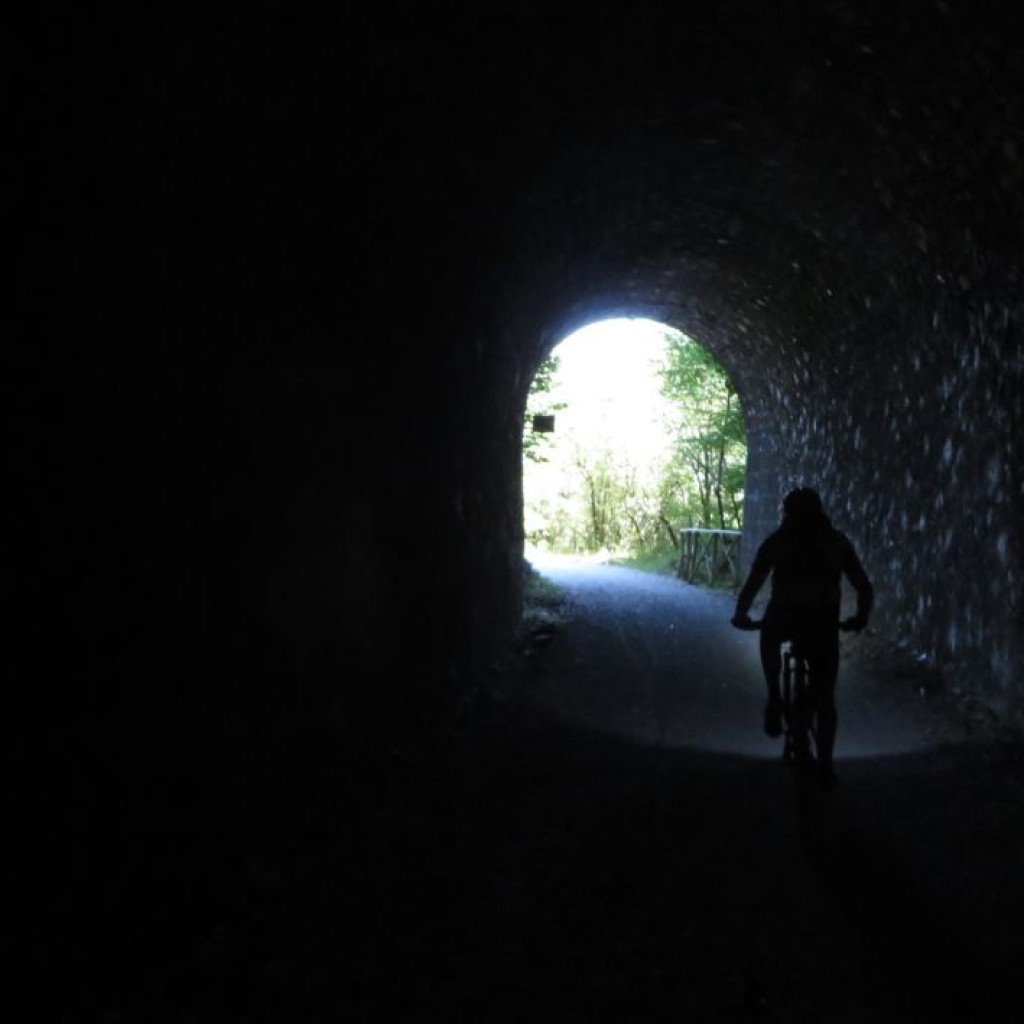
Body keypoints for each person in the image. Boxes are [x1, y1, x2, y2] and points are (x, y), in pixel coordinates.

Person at [731, 487, 873, 787]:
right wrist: (859, 619)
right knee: (825, 699)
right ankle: (825, 765)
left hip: (783, 619)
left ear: (786, 513)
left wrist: (741, 616)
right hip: (821, 624)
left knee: (768, 636)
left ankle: (773, 695)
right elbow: (864, 588)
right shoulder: (837, 542)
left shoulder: (777, 542)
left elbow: (752, 585)